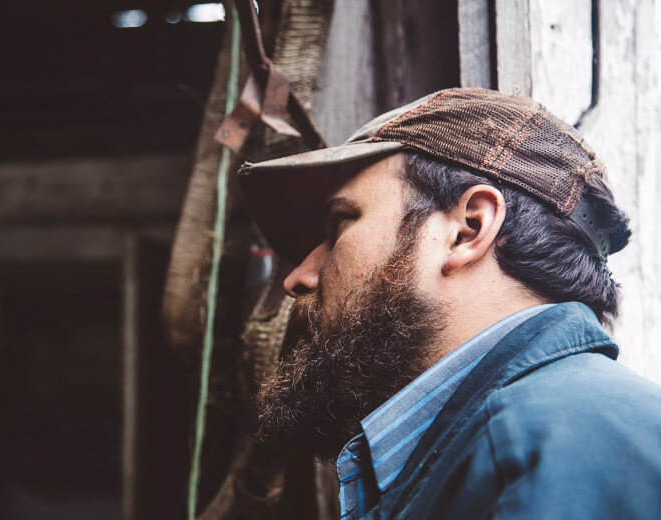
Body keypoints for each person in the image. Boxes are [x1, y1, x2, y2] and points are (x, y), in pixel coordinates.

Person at [237, 88, 661, 519]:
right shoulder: (536, 439)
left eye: (340, 224)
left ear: (468, 230)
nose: (299, 278)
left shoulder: (559, 445)